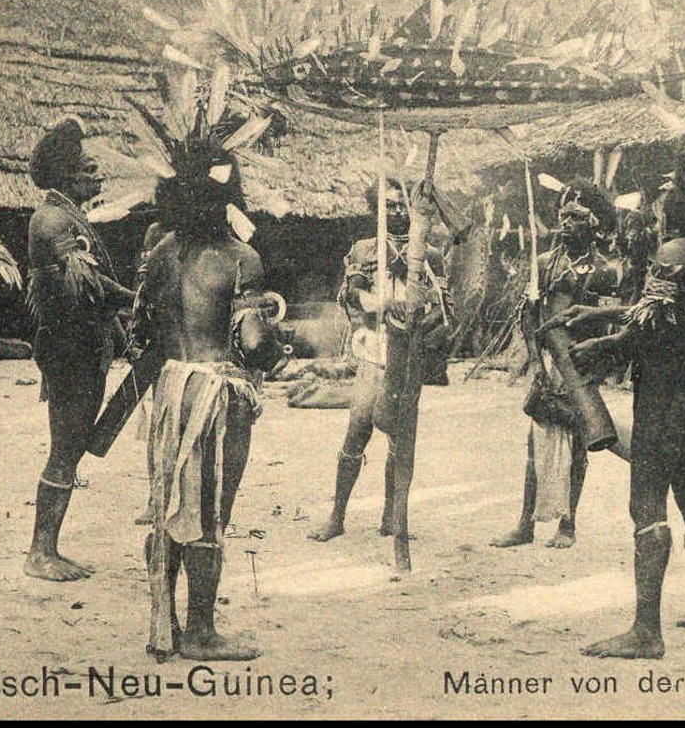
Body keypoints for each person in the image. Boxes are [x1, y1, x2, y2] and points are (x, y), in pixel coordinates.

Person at [553, 131, 685, 658]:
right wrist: (603, 314)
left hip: (663, 392)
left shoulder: (671, 251)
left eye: (669, 192)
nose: (663, 200)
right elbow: (668, 315)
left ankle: (647, 630)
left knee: (645, 501)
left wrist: (604, 342)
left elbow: (647, 329)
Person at [133, 115, 291, 661]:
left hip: (169, 386)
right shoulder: (239, 258)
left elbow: (139, 331)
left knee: (169, 507)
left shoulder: (160, 252)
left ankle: (164, 625)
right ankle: (200, 631)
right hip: (215, 395)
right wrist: (276, 332)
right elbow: (252, 344)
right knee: (209, 512)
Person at [307, 179, 451, 544]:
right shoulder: (364, 250)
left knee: (401, 437)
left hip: (410, 353)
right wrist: (382, 305)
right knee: (358, 426)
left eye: (403, 204)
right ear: (376, 210)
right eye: (389, 206)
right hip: (374, 347)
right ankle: (337, 516)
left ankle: (393, 518)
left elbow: (446, 308)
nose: (398, 211)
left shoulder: (429, 254)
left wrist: (419, 324)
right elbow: (352, 294)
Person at [23, 117, 134, 582]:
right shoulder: (52, 220)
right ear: (69, 177)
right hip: (69, 350)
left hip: (83, 346)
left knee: (71, 445)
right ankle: (40, 552)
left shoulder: (70, 217)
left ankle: (47, 548)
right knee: (66, 447)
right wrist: (135, 299)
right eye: (90, 169)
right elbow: (86, 282)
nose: (99, 176)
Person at [491, 178, 624, 550]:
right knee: (535, 442)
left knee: (579, 440)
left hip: (580, 364)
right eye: (564, 216)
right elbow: (529, 316)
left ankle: (568, 523)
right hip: (548, 362)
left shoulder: (605, 271)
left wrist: (595, 368)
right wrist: (536, 363)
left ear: (594, 224)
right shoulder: (545, 263)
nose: (567, 224)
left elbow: (606, 325)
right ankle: (525, 524)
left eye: (577, 218)